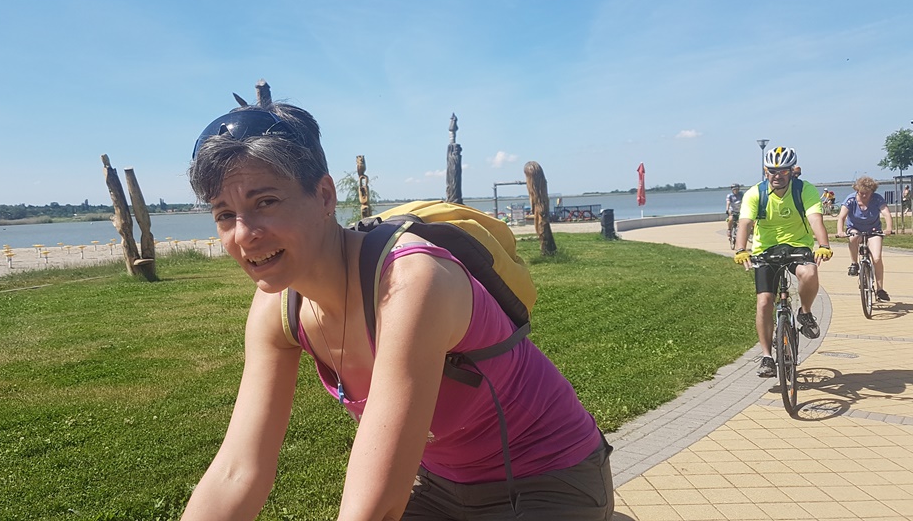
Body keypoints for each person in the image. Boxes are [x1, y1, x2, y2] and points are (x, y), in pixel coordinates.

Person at [181, 97, 613, 520]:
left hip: (549, 477)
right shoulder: (277, 309)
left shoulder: (410, 281)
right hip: (439, 488)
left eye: (265, 202)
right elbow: (237, 471)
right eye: (225, 215)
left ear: (325, 196)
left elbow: (377, 504)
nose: (244, 234)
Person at [733, 146, 832, 378]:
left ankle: (805, 312)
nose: (777, 176)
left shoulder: (803, 190)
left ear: (792, 171)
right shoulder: (755, 193)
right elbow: (745, 223)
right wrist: (741, 249)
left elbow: (815, 219)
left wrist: (824, 245)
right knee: (764, 302)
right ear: (765, 171)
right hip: (766, 250)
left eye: (783, 171)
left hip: (798, 246)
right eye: (772, 171)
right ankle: (767, 356)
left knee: (810, 273)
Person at [836, 176, 894, 301]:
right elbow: (841, 217)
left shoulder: (877, 199)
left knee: (877, 258)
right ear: (857, 191)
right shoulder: (851, 200)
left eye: (867, 193)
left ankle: (880, 289)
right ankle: (854, 263)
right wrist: (840, 231)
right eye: (861, 193)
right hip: (855, 228)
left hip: (873, 230)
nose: (863, 195)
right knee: (854, 237)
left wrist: (888, 228)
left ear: (872, 192)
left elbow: (886, 214)